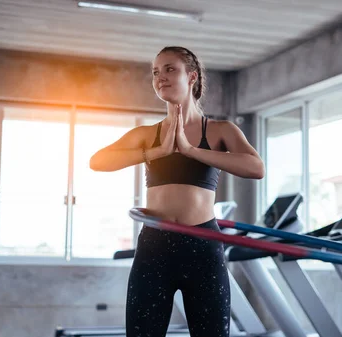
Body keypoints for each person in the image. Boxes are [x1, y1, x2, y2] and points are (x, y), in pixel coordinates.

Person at [89, 46, 265, 337]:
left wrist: (191, 151)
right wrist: (158, 151)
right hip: (155, 247)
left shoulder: (221, 130)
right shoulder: (149, 135)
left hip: (202, 248)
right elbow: (98, 161)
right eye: (156, 72)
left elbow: (256, 168)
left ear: (192, 76)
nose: (161, 77)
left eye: (170, 69)